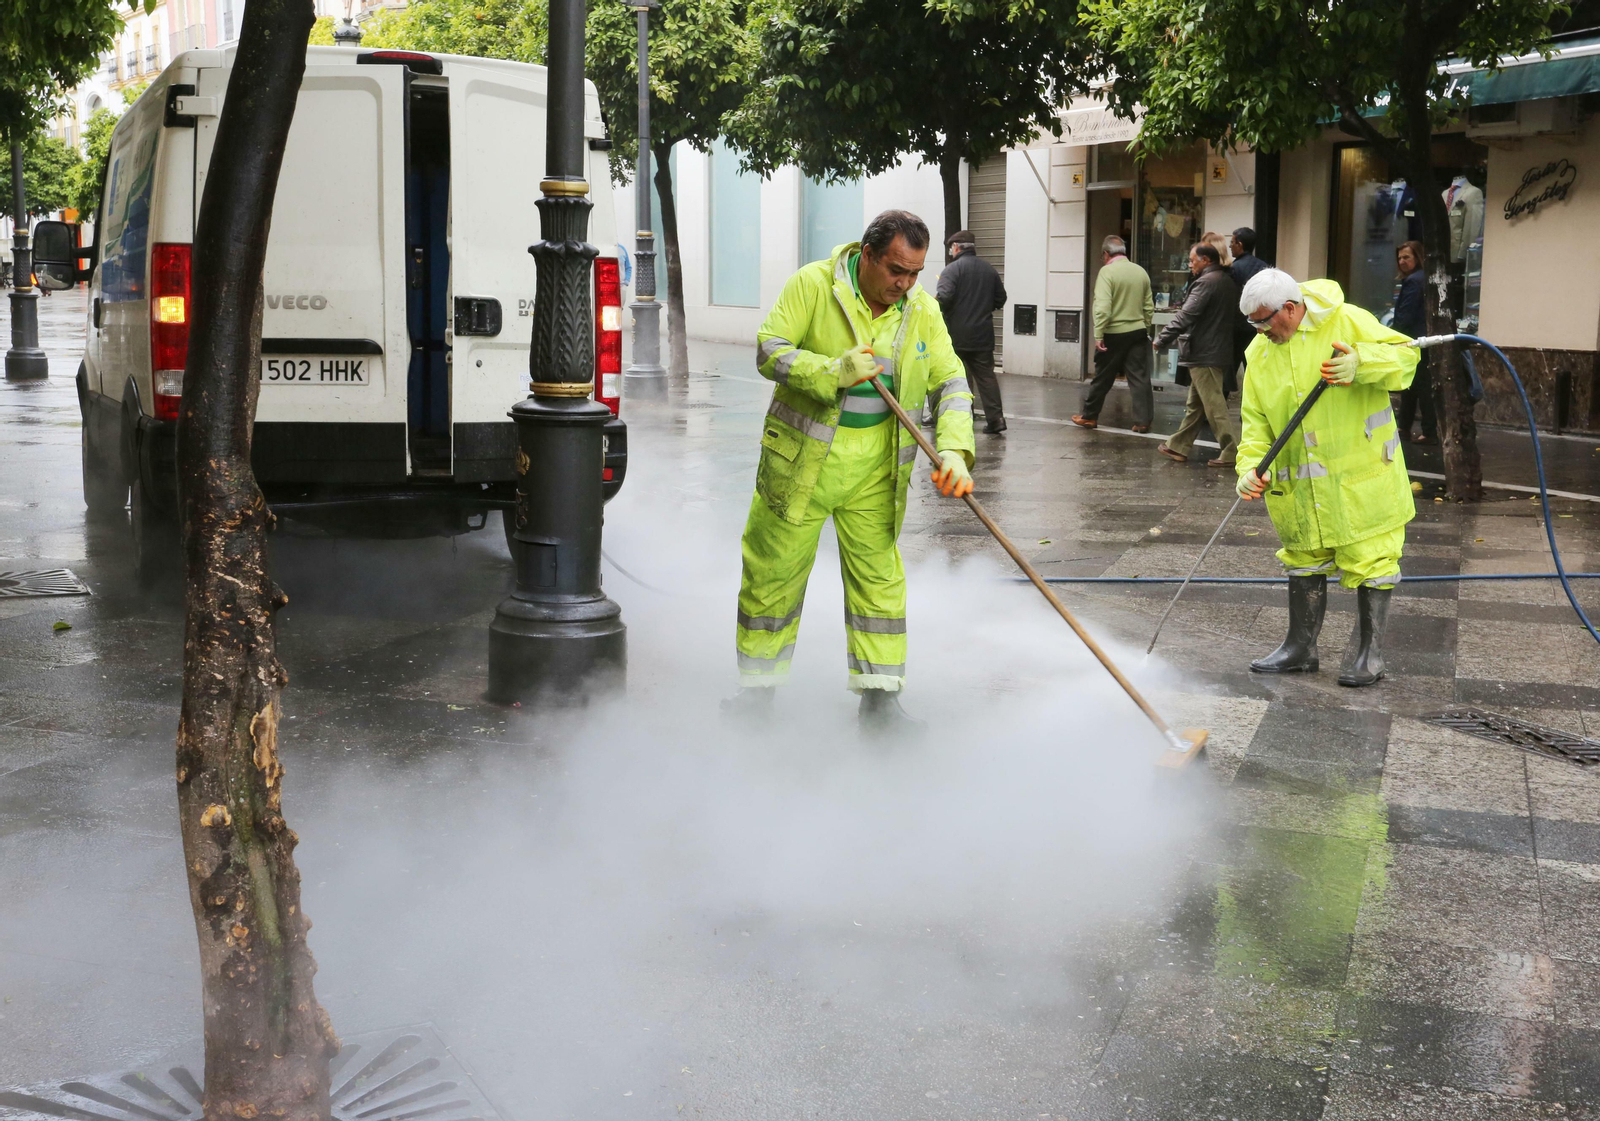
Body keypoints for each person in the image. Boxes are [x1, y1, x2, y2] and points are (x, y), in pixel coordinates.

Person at [725, 210, 977, 732]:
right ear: (867, 255)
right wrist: (832, 370)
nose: (904, 284)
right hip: (802, 466)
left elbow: (950, 381)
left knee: (879, 584)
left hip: (875, 472)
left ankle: (880, 702)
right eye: (895, 270)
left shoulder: (920, 309)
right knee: (773, 576)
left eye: (914, 273)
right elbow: (769, 349)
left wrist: (955, 450)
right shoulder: (813, 286)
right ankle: (756, 695)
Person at [1235, 268, 1419, 687]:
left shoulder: (1347, 320)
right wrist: (1247, 469)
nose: (1261, 331)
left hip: (1362, 480)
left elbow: (1407, 356)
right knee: (1303, 559)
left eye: (1265, 320)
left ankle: (1369, 656)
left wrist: (1362, 362)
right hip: (1301, 490)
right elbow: (1255, 425)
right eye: (1253, 323)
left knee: (1372, 561)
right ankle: (1300, 648)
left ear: (1291, 308)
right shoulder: (1259, 353)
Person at [1155, 242, 1241, 467]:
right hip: (1214, 350)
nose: (1190, 264)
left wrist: (1161, 338)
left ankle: (1232, 450)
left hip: (1205, 352)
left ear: (1206, 260)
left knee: (1214, 405)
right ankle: (1178, 446)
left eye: (1193, 260)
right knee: (1197, 405)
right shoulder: (1225, 280)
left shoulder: (1206, 283)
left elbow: (1186, 315)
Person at [1073, 235, 1154, 433]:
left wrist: (1098, 334)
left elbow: (1102, 307)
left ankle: (1089, 416)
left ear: (1106, 254)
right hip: (1137, 331)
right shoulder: (1140, 271)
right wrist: (1146, 328)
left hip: (1113, 333)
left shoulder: (1107, 272)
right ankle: (1143, 421)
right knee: (1139, 377)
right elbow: (1148, 306)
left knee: (1103, 376)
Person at [936, 230, 1009, 435]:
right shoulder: (989, 270)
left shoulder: (951, 270)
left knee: (959, 376)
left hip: (957, 335)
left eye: (951, 247)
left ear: (957, 247)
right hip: (983, 335)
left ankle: (962, 416)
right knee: (986, 378)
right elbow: (1000, 298)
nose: (951, 251)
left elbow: (944, 298)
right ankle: (996, 419)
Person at [1391, 240, 1435, 445]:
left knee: (1418, 386)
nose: (1402, 261)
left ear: (1417, 257)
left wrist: (1393, 338)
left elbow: (1405, 315)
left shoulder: (1414, 281)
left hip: (1414, 340)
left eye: (1406, 257)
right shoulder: (1423, 278)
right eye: (1399, 258)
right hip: (1423, 339)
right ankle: (1405, 427)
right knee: (1413, 385)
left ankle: (1427, 431)